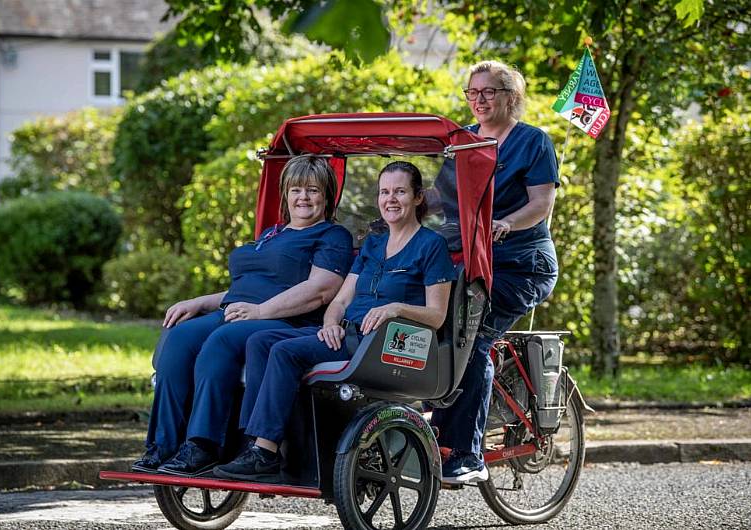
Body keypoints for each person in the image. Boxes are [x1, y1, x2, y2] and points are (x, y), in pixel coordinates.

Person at [213, 161, 455, 481]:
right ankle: (255, 445)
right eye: (384, 192)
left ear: (417, 197)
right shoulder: (373, 244)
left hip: (383, 342)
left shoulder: (431, 245)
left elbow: (436, 317)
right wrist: (330, 322)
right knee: (261, 341)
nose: (390, 199)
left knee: (286, 352)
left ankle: (265, 450)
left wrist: (396, 308)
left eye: (400, 192)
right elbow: (341, 299)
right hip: (347, 335)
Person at [131, 155, 354, 476]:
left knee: (222, 341)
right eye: (296, 190)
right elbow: (248, 288)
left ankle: (203, 445)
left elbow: (322, 289)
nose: (303, 197)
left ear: (327, 196)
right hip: (240, 310)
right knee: (178, 339)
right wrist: (200, 302)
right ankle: (162, 444)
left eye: (312, 190)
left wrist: (260, 312)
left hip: (285, 319)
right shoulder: (272, 234)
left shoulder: (331, 236)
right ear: (285, 194)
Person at [429, 60, 559, 484]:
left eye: (488, 92)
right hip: (469, 261)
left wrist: (505, 224)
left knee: (473, 336)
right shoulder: (462, 141)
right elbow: (440, 195)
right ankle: (430, 428)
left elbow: (541, 204)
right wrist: (399, 201)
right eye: (472, 92)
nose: (478, 100)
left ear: (511, 98)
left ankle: (466, 453)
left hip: (520, 264)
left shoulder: (533, 141)